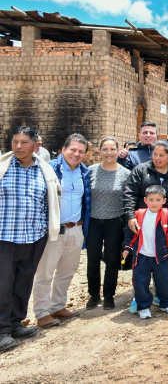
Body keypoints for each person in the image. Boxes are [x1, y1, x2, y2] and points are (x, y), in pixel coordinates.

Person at [0, 126, 60, 351]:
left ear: (36, 145)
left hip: (33, 238)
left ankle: (15, 323)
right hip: (4, 237)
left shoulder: (45, 171)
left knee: (23, 283)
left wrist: (45, 230)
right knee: (2, 285)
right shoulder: (3, 168)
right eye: (15, 141)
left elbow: (49, 202)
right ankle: (1, 330)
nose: (18, 146)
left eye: (24, 142)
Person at [33, 133, 92, 328]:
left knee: (67, 271)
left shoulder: (84, 172)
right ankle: (41, 313)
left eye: (80, 151)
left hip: (76, 229)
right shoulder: (48, 169)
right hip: (53, 230)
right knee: (45, 273)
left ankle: (57, 306)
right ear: (63, 149)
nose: (76, 154)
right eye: (73, 149)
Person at [86, 137, 131, 310]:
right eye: (105, 149)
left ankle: (109, 296)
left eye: (112, 149)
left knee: (112, 260)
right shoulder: (90, 171)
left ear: (118, 150)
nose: (109, 153)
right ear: (99, 150)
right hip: (94, 222)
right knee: (93, 259)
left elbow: (128, 199)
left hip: (115, 222)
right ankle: (94, 294)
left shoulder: (125, 173)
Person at [122, 185, 168, 319]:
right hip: (141, 256)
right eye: (151, 200)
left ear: (164, 201)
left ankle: (167, 304)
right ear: (145, 200)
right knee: (140, 282)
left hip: (161, 256)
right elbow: (130, 233)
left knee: (164, 281)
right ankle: (143, 306)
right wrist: (127, 248)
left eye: (158, 200)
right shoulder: (138, 214)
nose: (154, 203)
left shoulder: (166, 214)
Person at [122, 139, 168, 240]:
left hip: (167, 224)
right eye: (155, 154)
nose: (157, 158)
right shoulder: (140, 170)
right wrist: (131, 216)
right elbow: (129, 194)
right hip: (141, 222)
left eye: (161, 155)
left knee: (163, 254)